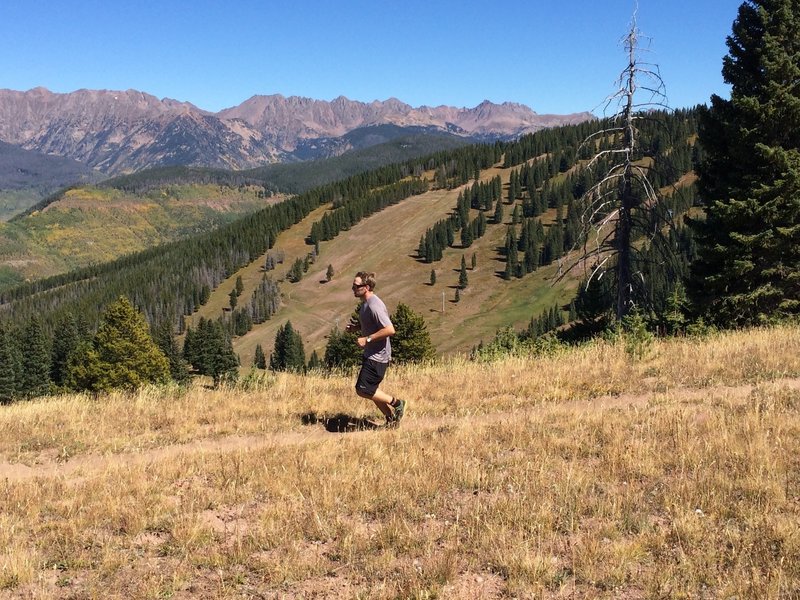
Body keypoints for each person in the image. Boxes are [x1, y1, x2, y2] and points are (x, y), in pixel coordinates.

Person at [346, 271, 406, 427]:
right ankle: (391, 419)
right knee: (371, 391)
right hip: (371, 354)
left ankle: (397, 403)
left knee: (363, 389)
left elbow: (390, 329)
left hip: (378, 356)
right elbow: (372, 324)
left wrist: (367, 339)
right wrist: (357, 327)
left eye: (356, 285)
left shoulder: (374, 305)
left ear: (366, 287)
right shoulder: (365, 304)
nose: (353, 288)